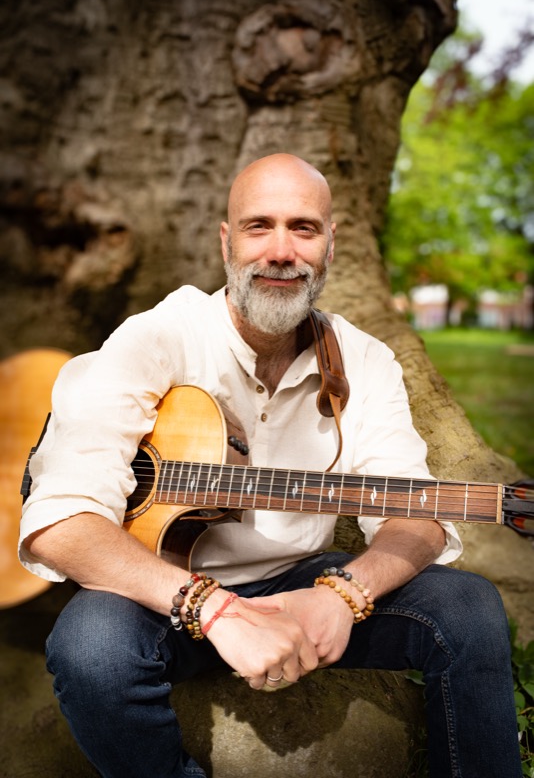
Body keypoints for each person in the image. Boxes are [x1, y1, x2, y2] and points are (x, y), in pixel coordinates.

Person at [20, 154, 521, 778]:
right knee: (90, 647)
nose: (281, 251)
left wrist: (344, 595)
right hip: (160, 594)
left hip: (305, 584)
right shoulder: (157, 338)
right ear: (227, 241)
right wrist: (214, 610)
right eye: (259, 226)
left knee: (468, 606)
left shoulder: (365, 361)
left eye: (303, 228)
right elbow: (62, 520)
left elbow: (412, 514)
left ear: (330, 244)